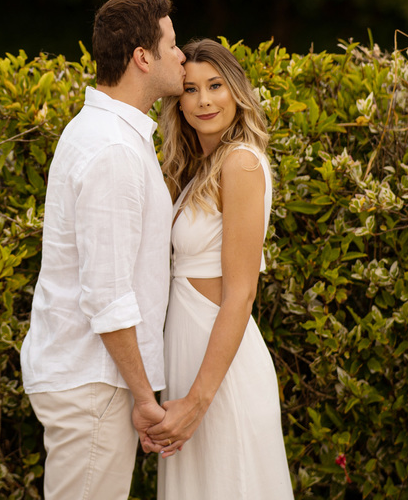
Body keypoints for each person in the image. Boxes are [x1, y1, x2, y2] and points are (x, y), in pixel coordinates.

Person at [21, 0, 188, 499]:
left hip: (92, 378)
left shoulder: (106, 133)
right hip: (95, 383)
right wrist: (144, 398)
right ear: (143, 57)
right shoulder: (112, 148)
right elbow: (107, 296)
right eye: (173, 45)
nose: (182, 56)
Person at [148, 39, 294, 499]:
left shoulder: (241, 163)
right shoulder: (195, 171)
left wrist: (197, 400)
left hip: (220, 378)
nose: (204, 100)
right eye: (190, 89)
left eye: (215, 86)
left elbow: (241, 295)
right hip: (185, 359)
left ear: (236, 91)